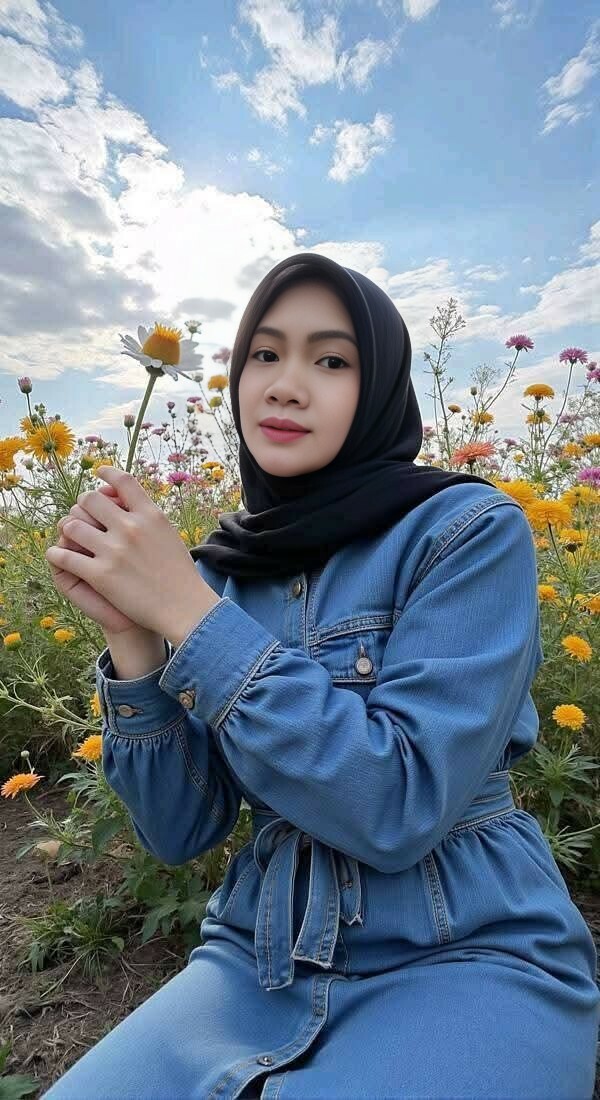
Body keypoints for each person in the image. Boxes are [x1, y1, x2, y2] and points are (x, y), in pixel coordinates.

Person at [43, 253, 599, 1099]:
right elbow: (180, 831)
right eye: (264, 354)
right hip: (255, 960)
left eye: (331, 360)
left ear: (380, 387)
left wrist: (190, 615)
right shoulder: (220, 573)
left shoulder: (467, 530)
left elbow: (401, 806)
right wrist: (135, 637)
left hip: (469, 950)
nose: (285, 385)